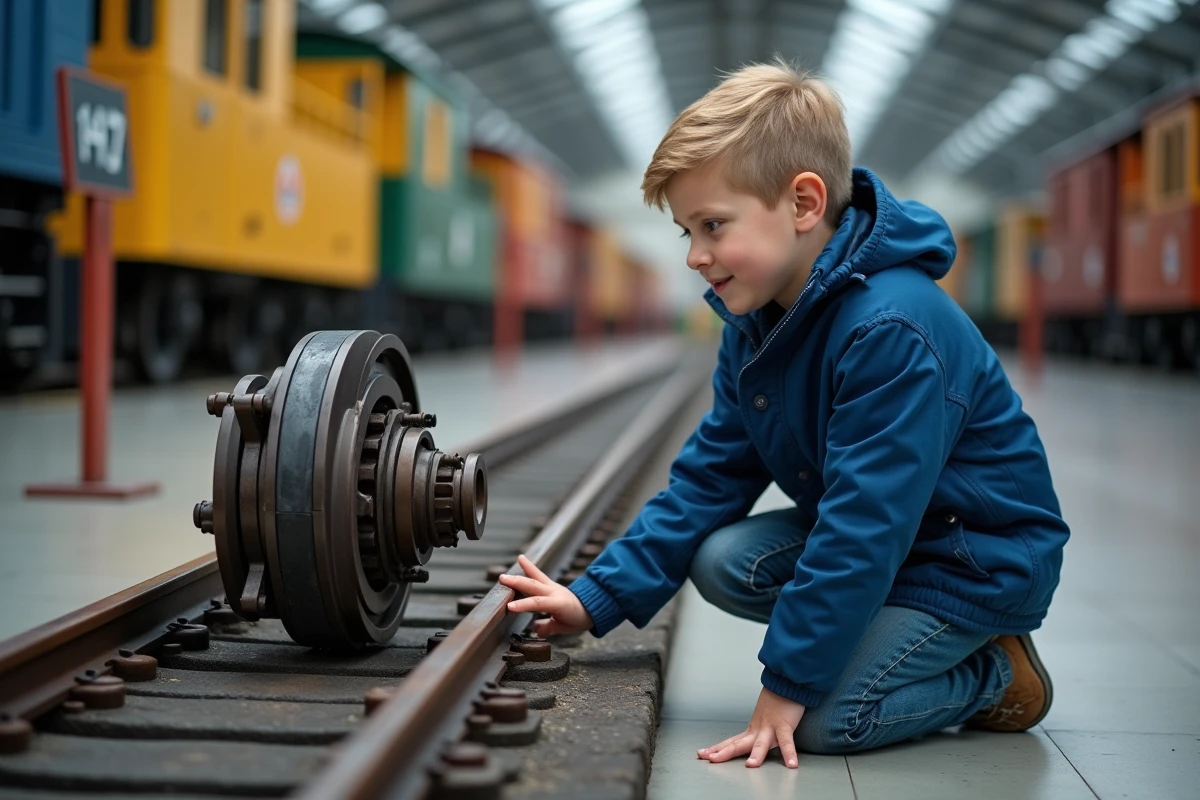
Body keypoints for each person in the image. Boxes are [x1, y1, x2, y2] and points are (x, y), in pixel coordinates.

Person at [499, 59, 1069, 769]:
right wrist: (599, 595)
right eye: (686, 234)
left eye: (713, 225)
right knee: (724, 561)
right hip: (909, 542)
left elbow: (866, 521)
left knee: (829, 721)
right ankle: (882, 629)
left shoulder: (891, 327)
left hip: (974, 560)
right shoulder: (758, 324)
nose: (696, 256)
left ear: (803, 203)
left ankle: (992, 673)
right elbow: (711, 477)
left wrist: (788, 684)